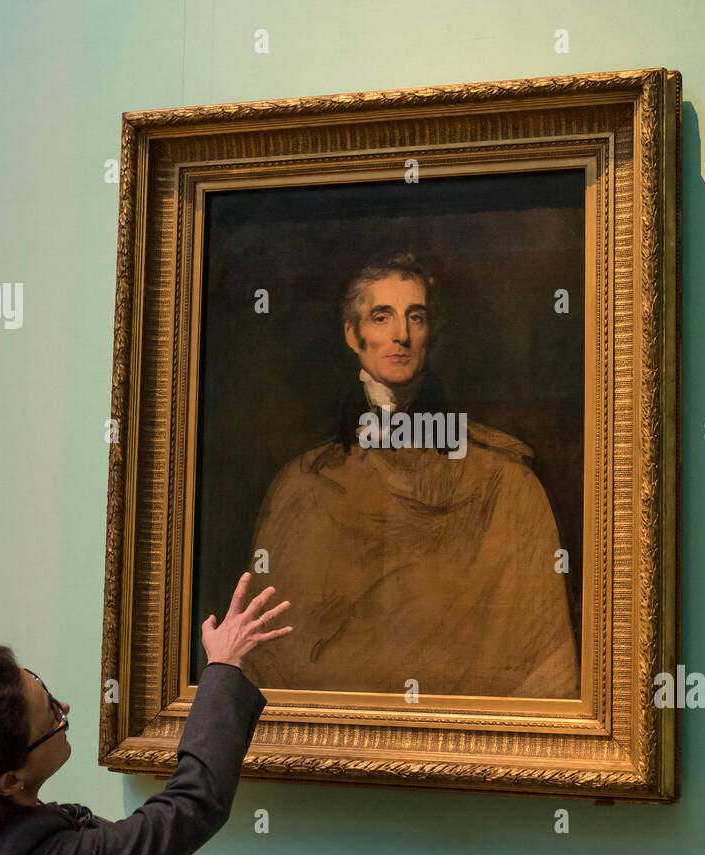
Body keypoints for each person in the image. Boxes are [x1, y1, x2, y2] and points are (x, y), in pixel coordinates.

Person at [240, 251, 578, 698]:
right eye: (382, 317)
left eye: (415, 318)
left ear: (428, 333)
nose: (401, 334)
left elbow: (543, 664)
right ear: (353, 334)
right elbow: (271, 663)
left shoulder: (502, 480)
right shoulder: (302, 486)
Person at [0, 573, 290, 855]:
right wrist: (223, 666)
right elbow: (192, 807)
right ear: (8, 781)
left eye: (44, 688)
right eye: (50, 713)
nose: (63, 707)